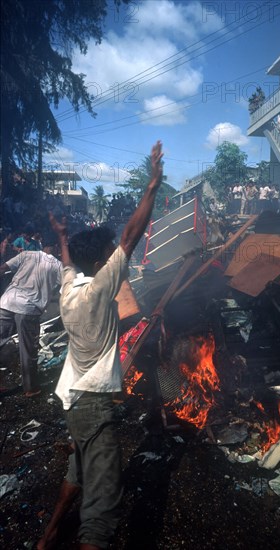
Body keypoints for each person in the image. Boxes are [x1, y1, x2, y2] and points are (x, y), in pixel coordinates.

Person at [37, 141, 164, 550]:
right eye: (108, 255)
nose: (115, 257)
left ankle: (49, 535)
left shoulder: (70, 287)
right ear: (100, 265)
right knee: (102, 509)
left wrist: (62, 237)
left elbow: (68, 261)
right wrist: (152, 186)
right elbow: (131, 236)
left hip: (72, 399)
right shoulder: (98, 288)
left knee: (78, 469)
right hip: (93, 401)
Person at [0, 238, 62, 396]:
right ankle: (30, 388)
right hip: (29, 309)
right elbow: (68, 287)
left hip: (7, 302)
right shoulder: (58, 266)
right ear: (55, 247)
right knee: (27, 349)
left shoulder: (26, 255)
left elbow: (2, 269)